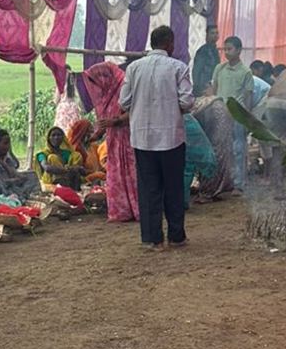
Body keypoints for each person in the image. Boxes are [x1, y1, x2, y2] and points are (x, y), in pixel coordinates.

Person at [121, 25, 194, 250]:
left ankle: (154, 239)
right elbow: (187, 102)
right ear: (169, 43)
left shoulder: (134, 68)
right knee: (173, 187)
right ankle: (176, 237)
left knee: (149, 188)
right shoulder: (178, 67)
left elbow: (123, 102)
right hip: (171, 137)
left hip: (142, 138)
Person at [83, 61, 139, 223]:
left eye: (97, 82)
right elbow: (103, 122)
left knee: (132, 173)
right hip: (114, 142)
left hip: (129, 138)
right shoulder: (107, 94)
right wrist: (95, 135)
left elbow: (135, 111)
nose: (97, 87)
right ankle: (121, 211)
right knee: (116, 174)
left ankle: (136, 208)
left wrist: (115, 121)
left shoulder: (125, 87)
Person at [211, 35, 253, 194]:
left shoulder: (246, 72)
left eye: (230, 49)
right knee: (221, 149)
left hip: (237, 115)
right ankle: (223, 182)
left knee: (238, 149)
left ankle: (238, 184)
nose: (227, 53)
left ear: (239, 51)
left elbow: (249, 96)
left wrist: (247, 119)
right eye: (225, 49)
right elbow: (214, 90)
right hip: (220, 114)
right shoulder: (219, 69)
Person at [188, 97, 234, 201]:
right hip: (217, 111)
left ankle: (207, 192)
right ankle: (212, 190)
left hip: (213, 114)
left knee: (213, 152)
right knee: (218, 151)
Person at [182, 113, 218, 209]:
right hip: (191, 140)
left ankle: (182, 201)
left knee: (185, 170)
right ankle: (183, 201)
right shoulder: (189, 119)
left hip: (184, 137)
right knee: (187, 171)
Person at [34, 126, 86, 191]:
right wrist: (67, 170)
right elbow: (47, 168)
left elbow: (80, 170)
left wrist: (78, 168)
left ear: (63, 138)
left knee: (77, 155)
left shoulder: (67, 153)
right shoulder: (43, 154)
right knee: (53, 157)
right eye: (53, 135)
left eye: (59, 135)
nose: (56, 137)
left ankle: (71, 186)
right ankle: (62, 185)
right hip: (50, 181)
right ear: (48, 138)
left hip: (68, 179)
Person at [66, 119, 106, 185]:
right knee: (101, 175)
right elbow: (78, 171)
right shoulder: (76, 149)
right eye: (89, 129)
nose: (92, 131)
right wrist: (94, 172)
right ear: (82, 132)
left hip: (97, 174)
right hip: (84, 179)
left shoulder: (93, 146)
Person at [193, 25, 221, 97]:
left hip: (213, 87)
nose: (215, 35)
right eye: (212, 33)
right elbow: (196, 71)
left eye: (216, 33)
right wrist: (199, 89)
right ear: (207, 35)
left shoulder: (215, 50)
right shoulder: (203, 51)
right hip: (203, 89)